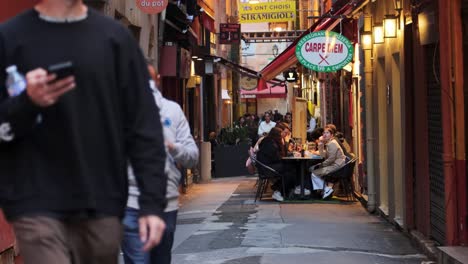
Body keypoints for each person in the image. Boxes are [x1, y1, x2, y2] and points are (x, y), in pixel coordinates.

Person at [0, 1, 167, 263]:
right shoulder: (10, 38)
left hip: (100, 202)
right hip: (35, 203)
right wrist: (27, 103)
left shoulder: (115, 39)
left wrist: (152, 203)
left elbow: (143, 126)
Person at [122, 66, 199, 264]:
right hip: (130, 201)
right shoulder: (118, 110)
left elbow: (192, 156)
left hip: (166, 201)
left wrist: (173, 148)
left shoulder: (172, 111)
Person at [256, 127, 295, 202]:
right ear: (276, 135)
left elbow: (278, 156)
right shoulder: (270, 143)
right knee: (291, 169)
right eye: (280, 134)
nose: (281, 136)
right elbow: (277, 158)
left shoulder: (268, 141)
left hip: (265, 166)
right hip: (267, 168)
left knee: (290, 168)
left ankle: (278, 188)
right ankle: (278, 190)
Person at [310, 124, 346, 199]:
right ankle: (326, 189)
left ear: (332, 135)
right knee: (314, 171)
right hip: (335, 164)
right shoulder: (329, 143)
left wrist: (321, 165)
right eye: (324, 133)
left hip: (337, 166)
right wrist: (320, 143)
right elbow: (323, 155)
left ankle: (326, 189)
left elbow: (331, 159)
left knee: (314, 173)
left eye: (327, 133)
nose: (324, 135)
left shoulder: (332, 143)